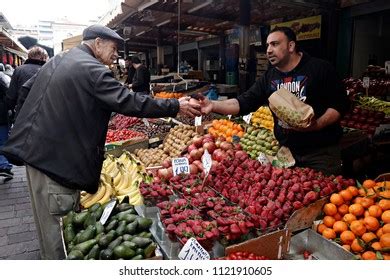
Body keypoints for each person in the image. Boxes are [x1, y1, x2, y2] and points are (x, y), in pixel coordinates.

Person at [0, 24, 201, 259]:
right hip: (55, 164)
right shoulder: (92, 69)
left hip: (38, 156)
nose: (116, 55)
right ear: (97, 43)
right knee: (59, 233)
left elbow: (26, 89)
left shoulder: (61, 60)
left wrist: (37, 128)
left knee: (47, 227)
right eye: (114, 48)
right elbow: (130, 102)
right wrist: (176, 105)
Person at [200, 27, 350, 175]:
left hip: (320, 154)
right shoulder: (269, 77)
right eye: (268, 45)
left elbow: (340, 104)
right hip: (287, 153)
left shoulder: (320, 69)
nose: (269, 50)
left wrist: (317, 125)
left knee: (326, 196)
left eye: (275, 44)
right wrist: (213, 104)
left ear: (291, 46)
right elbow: (243, 102)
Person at [6, 46, 48, 121]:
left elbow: (11, 95)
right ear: (43, 57)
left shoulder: (19, 70)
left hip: (23, 115)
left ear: (29, 57)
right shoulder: (49, 70)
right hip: (44, 115)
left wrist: (12, 110)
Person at [0, 69, 13, 180]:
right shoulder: (1, 77)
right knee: (3, 140)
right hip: (1, 115)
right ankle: (4, 166)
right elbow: (8, 93)